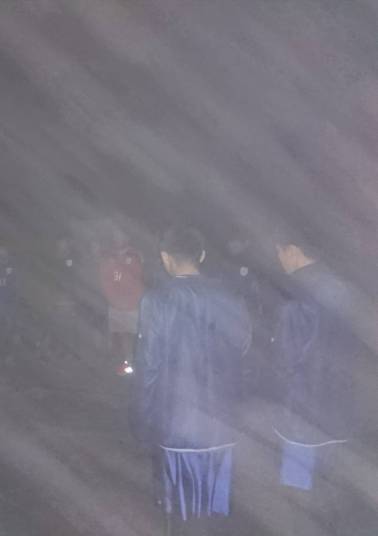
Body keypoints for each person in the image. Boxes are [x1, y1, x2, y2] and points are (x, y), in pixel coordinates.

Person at [133, 227, 251, 534]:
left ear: (165, 257)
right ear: (202, 255)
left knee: (182, 516)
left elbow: (149, 367)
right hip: (222, 424)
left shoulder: (157, 301)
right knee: (216, 513)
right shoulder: (231, 299)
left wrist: (145, 421)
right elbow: (242, 352)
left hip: (177, 426)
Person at [271, 228, 358, 535]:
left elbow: (285, 361)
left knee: (300, 506)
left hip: (303, 421)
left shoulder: (294, 298)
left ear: (293, 250)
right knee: (333, 504)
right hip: (340, 417)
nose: (279, 260)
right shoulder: (343, 291)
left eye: (279, 252)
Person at [99, 229, 144, 374]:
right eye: (115, 235)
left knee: (133, 335)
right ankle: (125, 362)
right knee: (120, 334)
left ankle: (135, 363)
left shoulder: (134, 255)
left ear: (127, 237)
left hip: (132, 304)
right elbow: (107, 278)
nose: (118, 238)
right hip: (115, 303)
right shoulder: (109, 256)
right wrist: (112, 297)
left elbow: (137, 278)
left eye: (121, 235)